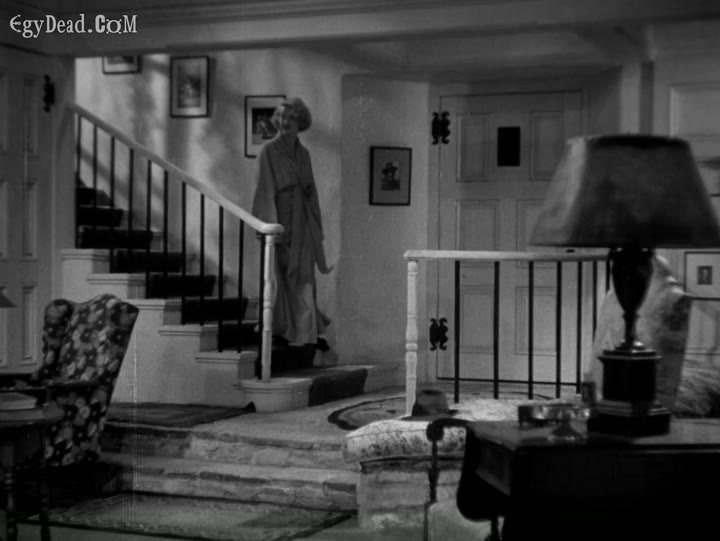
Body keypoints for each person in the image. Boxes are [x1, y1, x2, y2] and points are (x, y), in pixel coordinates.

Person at [251, 98, 333, 352]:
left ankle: (308, 331)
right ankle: (281, 329)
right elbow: (264, 188)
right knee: (283, 275)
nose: (285, 122)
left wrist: (316, 225)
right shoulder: (268, 151)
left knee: (305, 275)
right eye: (282, 117)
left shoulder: (304, 153)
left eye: (291, 118)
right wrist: (270, 225)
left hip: (303, 220)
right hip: (281, 220)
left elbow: (311, 190)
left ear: (300, 122)